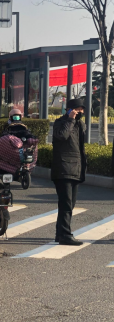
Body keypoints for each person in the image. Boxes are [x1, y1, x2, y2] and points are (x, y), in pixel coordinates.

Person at [52, 98, 87, 246]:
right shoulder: (60, 123)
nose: (81, 112)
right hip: (63, 168)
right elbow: (62, 136)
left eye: (82, 110)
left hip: (76, 168)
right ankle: (65, 235)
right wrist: (70, 119)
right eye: (78, 109)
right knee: (66, 204)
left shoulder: (79, 124)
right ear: (70, 110)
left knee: (70, 204)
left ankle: (60, 233)